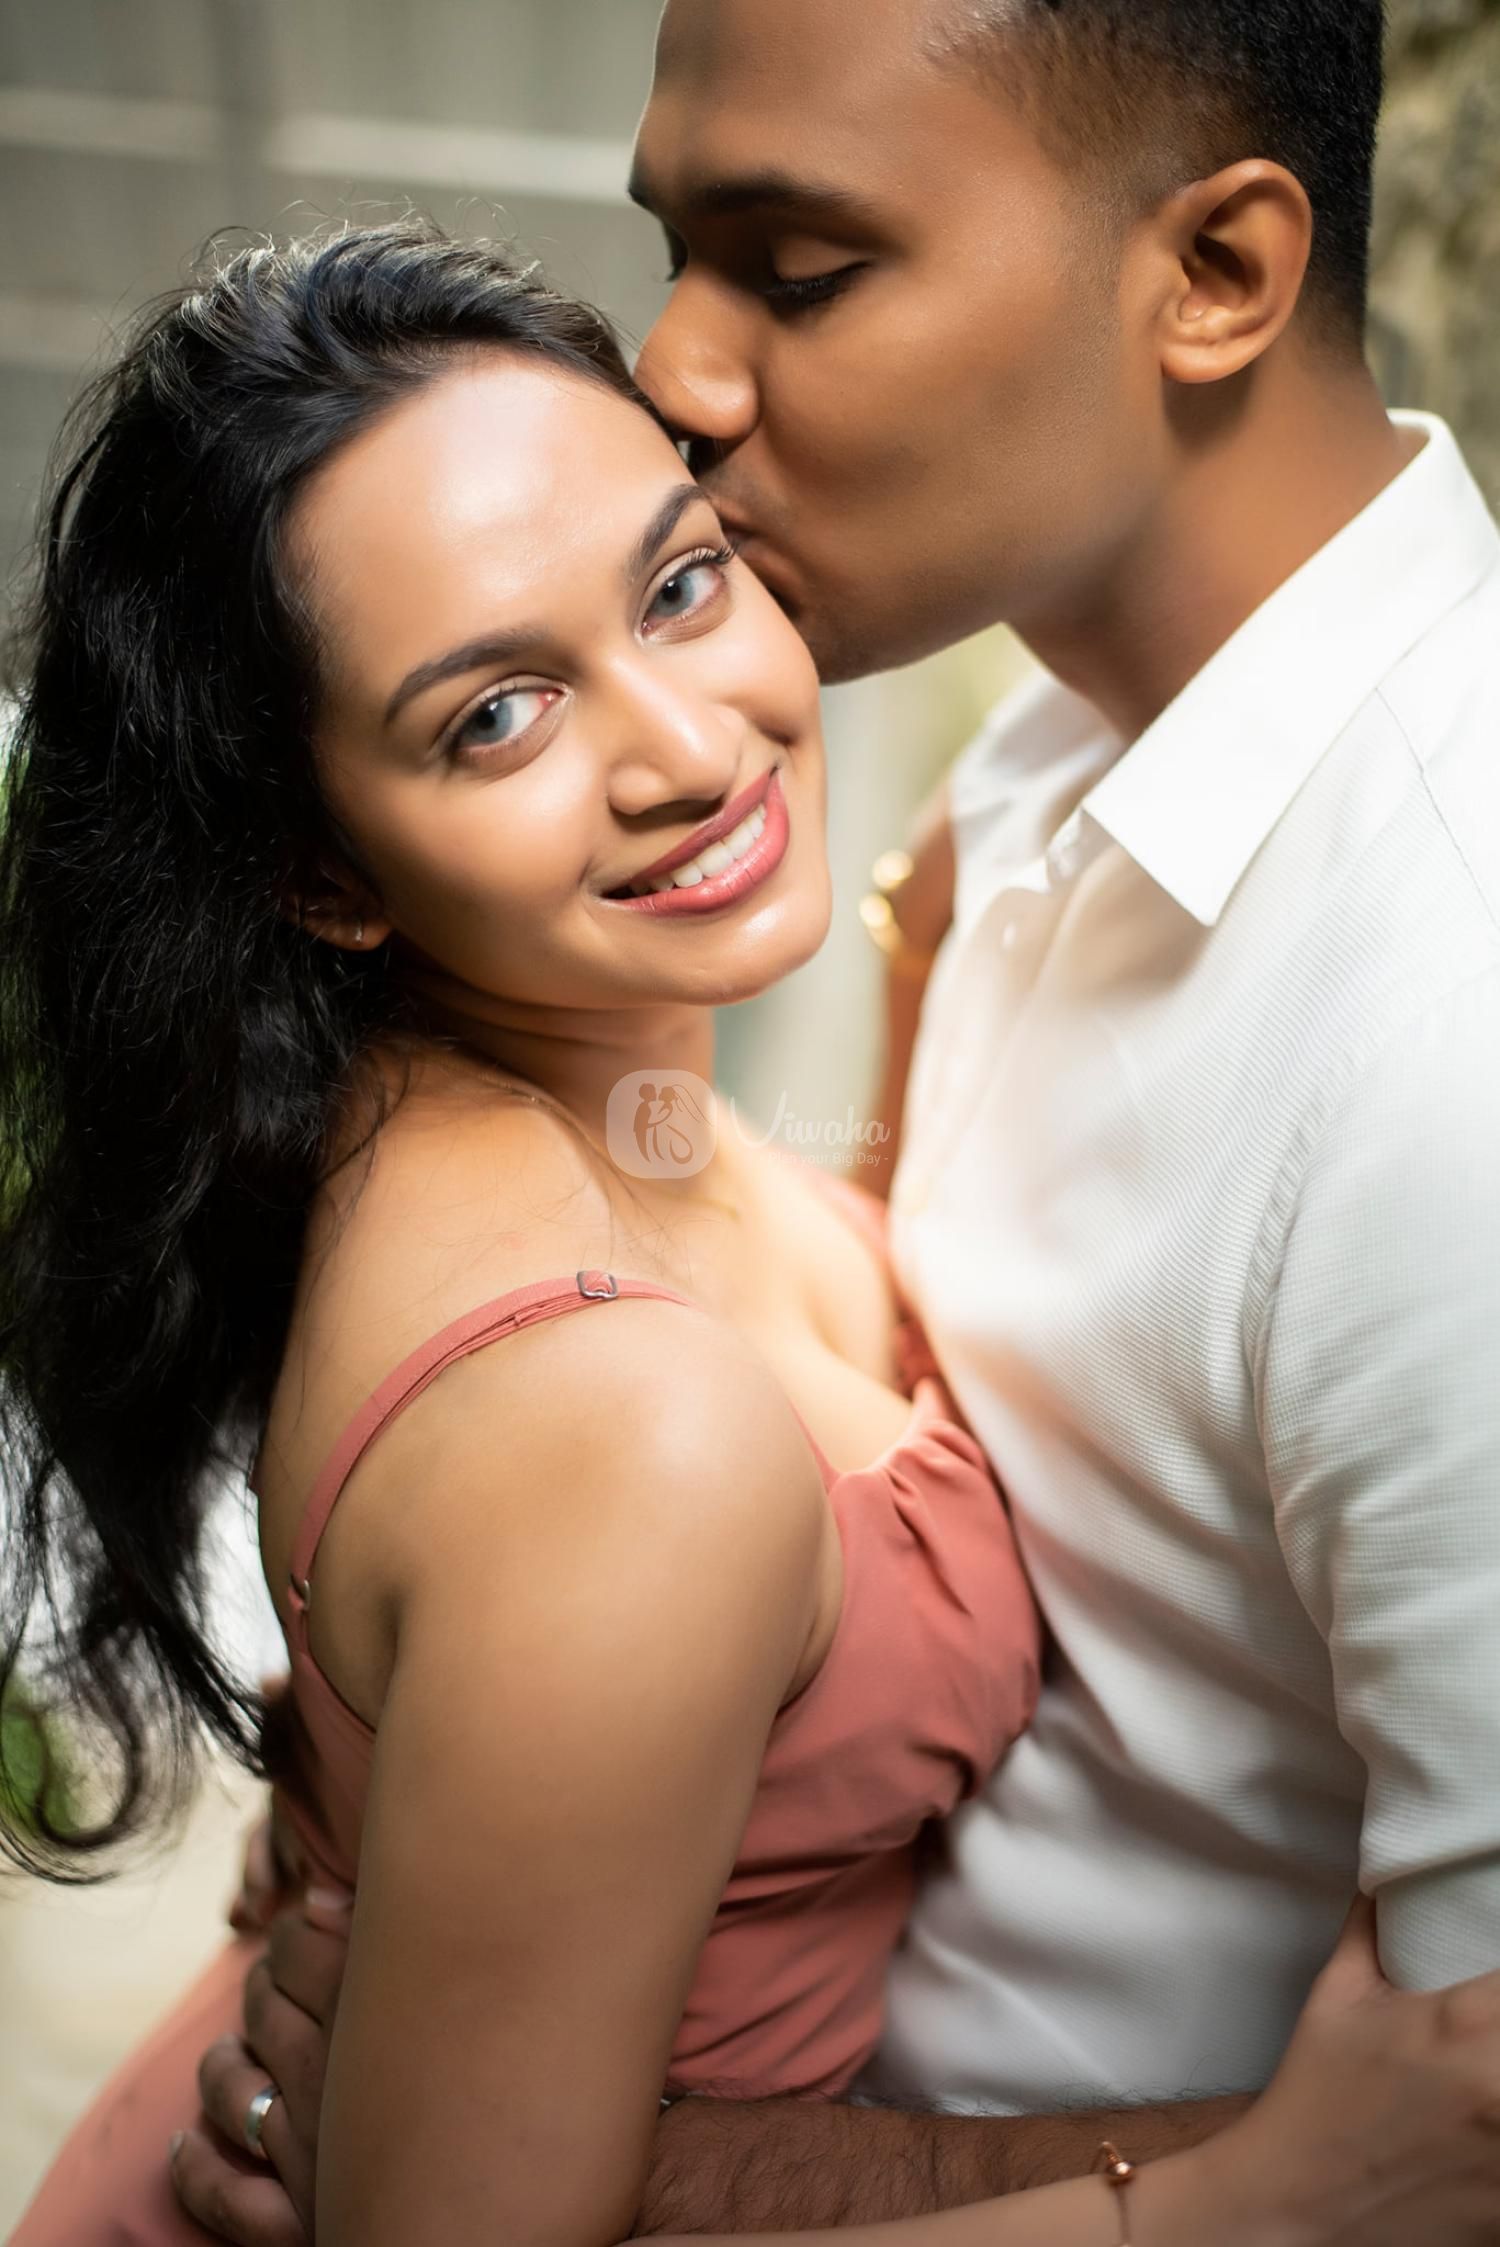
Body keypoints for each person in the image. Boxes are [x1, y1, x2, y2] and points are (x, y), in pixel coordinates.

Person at [5, 216, 1500, 2247]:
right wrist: (1264, 2197)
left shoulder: (533, 1103)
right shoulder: (622, 1426)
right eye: (495, 716)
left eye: (680, 583)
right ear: (322, 871)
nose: (695, 747)